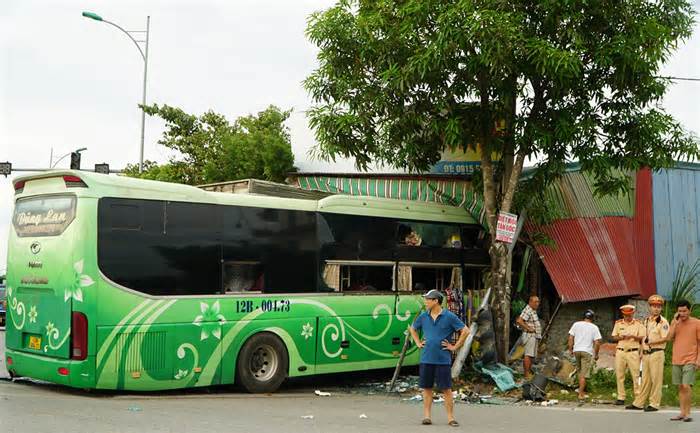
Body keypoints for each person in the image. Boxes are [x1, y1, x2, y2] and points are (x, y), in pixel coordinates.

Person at [409, 289, 469, 427]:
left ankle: (450, 418)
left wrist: (454, 347)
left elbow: (465, 331)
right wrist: (418, 342)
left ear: (436, 301)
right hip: (426, 358)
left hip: (443, 359)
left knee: (446, 389)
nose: (425, 301)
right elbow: (412, 329)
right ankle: (427, 416)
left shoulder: (449, 316)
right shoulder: (424, 316)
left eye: (428, 299)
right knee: (427, 388)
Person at [629, 295, 669, 412]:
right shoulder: (646, 321)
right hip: (646, 353)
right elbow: (643, 337)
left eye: (658, 307)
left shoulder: (663, 322)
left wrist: (653, 341)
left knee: (656, 379)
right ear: (649, 307)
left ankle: (654, 403)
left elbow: (666, 338)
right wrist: (641, 351)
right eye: (653, 306)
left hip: (657, 352)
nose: (656, 309)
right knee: (645, 379)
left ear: (661, 308)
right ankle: (639, 403)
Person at [667, 299, 700, 422]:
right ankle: (681, 412)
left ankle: (687, 413)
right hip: (677, 359)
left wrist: (698, 360)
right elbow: (669, 337)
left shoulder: (697, 323)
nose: (682, 313)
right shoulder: (675, 322)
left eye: (685, 311)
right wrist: (674, 323)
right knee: (680, 386)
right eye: (680, 311)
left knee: (686, 385)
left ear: (689, 310)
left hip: (690, 359)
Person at [611, 304, 646, 406]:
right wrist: (620, 337)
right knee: (620, 375)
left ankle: (638, 397)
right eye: (626, 315)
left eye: (629, 315)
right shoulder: (618, 324)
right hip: (621, 351)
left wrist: (633, 336)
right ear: (623, 314)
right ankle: (621, 397)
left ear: (633, 313)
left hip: (633, 351)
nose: (627, 317)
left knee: (636, 375)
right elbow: (614, 337)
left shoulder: (638, 324)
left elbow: (643, 338)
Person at [568, 309, 602, 403]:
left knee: (579, 372)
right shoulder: (594, 327)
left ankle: (580, 390)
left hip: (577, 350)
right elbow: (597, 342)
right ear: (592, 318)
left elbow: (571, 338)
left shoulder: (576, 324)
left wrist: (570, 350)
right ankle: (581, 394)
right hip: (586, 352)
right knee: (583, 374)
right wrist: (596, 354)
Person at [515, 295, 541, 378]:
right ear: (530, 302)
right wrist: (528, 328)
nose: (537, 304)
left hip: (533, 336)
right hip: (530, 336)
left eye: (538, 302)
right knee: (528, 355)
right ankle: (526, 374)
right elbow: (519, 320)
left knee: (531, 355)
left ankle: (529, 372)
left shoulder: (532, 310)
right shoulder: (528, 310)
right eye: (535, 302)